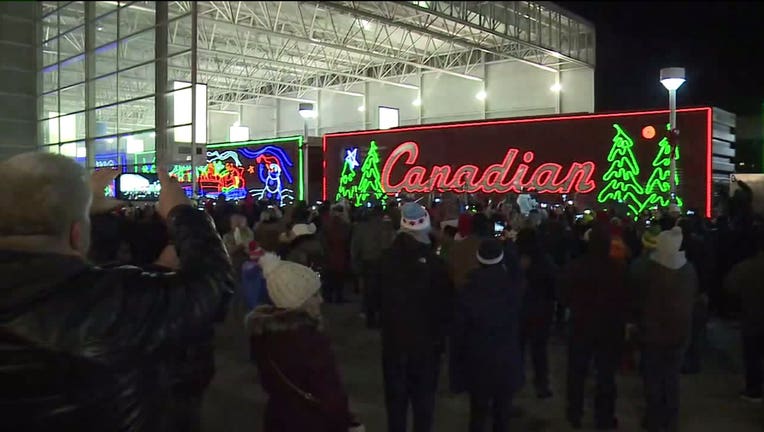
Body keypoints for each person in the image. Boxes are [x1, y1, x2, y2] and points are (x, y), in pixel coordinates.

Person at [0, 153, 235, 430]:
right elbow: (213, 286)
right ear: (77, 234)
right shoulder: (112, 302)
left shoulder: (109, 297)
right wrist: (182, 212)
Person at [247, 252, 357, 432]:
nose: (321, 300)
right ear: (298, 301)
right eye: (314, 296)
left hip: (278, 421)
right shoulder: (309, 342)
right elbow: (331, 395)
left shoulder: (263, 334)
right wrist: (348, 423)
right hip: (313, 423)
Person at [378, 202, 453, 432]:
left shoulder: (385, 260)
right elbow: (445, 306)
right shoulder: (435, 264)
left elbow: (373, 299)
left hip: (393, 342)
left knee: (396, 405)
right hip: (426, 346)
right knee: (423, 405)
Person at [559, 223, 628, 430]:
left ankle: (575, 412)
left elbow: (563, 294)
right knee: (606, 374)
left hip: (581, 324)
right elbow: (626, 298)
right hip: (609, 327)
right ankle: (604, 417)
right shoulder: (617, 269)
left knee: (577, 372)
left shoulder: (576, 266)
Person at [450, 239, 524, 432]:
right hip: (506, 359)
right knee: (502, 414)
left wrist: (455, 371)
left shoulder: (467, 291)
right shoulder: (513, 289)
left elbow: (458, 334)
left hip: (477, 360)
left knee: (478, 413)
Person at [629, 226, 698, 432]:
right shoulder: (688, 270)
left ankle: (654, 418)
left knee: (653, 378)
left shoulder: (649, 269)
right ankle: (671, 418)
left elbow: (637, 298)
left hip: (653, 332)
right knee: (671, 377)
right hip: (680, 331)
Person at [515, 228, 557, 399]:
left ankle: (515, 383)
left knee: (517, 349)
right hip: (540, 310)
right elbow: (553, 285)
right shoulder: (545, 260)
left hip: (519, 310)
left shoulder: (514, 258)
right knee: (539, 351)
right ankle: (541, 384)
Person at [724, 226, 764, 402]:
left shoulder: (745, 268)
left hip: (752, 318)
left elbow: (730, 287)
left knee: (752, 356)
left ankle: (754, 389)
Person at [351, 206, 396, 328]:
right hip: (383, 261)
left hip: (368, 261)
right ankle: (381, 318)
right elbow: (392, 244)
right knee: (382, 291)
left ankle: (370, 319)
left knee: (369, 291)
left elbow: (355, 247)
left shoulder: (361, 228)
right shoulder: (387, 227)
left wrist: (355, 262)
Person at [322, 205, 352, 303]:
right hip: (340, 253)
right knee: (339, 277)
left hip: (330, 254)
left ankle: (328, 297)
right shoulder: (344, 224)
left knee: (329, 277)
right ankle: (338, 297)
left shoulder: (328, 224)